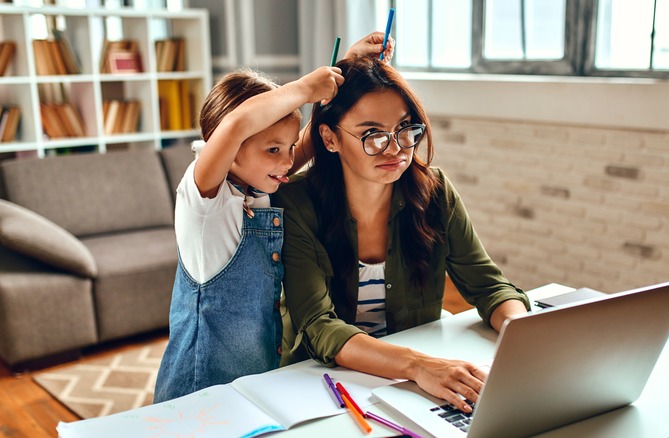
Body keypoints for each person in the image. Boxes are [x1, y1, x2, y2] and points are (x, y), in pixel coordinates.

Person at [273, 56, 530, 413]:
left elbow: (489, 287)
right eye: (372, 135)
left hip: (414, 385)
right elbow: (319, 327)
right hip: (322, 386)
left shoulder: (435, 192)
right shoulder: (296, 203)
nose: (395, 148)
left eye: (405, 128)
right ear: (330, 139)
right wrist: (419, 365)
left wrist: (526, 336)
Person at [153, 32, 394, 404]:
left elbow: (311, 136)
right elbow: (235, 127)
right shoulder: (204, 202)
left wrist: (345, 68)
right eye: (273, 149)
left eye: (289, 148)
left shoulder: (258, 183)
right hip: (198, 395)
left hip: (249, 388)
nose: (287, 162)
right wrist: (302, 87)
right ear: (229, 147)